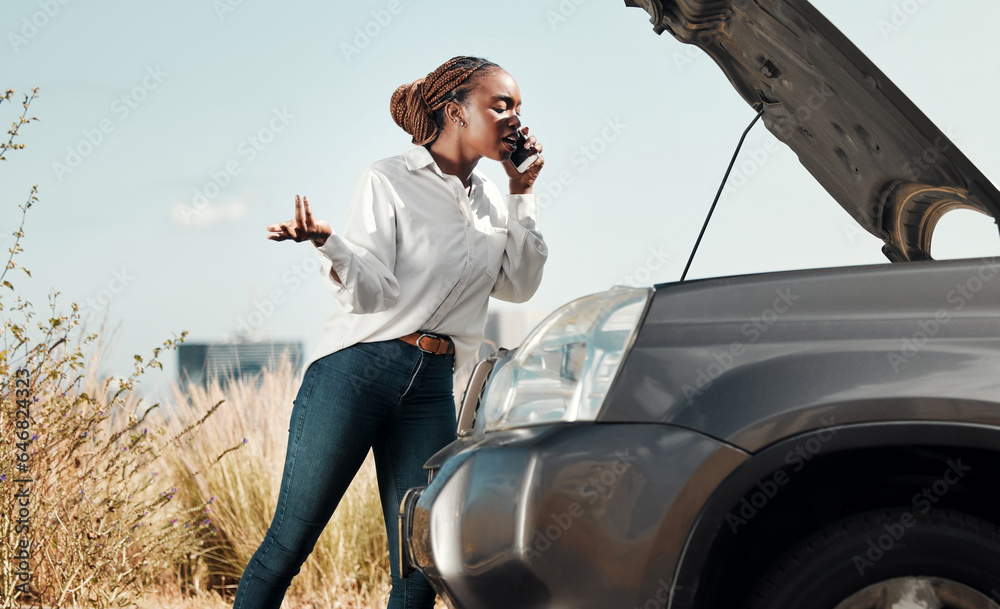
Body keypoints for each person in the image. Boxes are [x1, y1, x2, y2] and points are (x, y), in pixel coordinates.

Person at [231, 55, 546, 609]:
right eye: (502, 105)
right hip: (359, 370)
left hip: (431, 387)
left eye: (518, 107)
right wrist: (331, 243)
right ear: (455, 112)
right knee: (291, 541)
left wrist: (522, 192)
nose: (516, 119)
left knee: (420, 564)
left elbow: (518, 286)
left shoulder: (493, 200)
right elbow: (372, 292)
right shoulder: (389, 179)